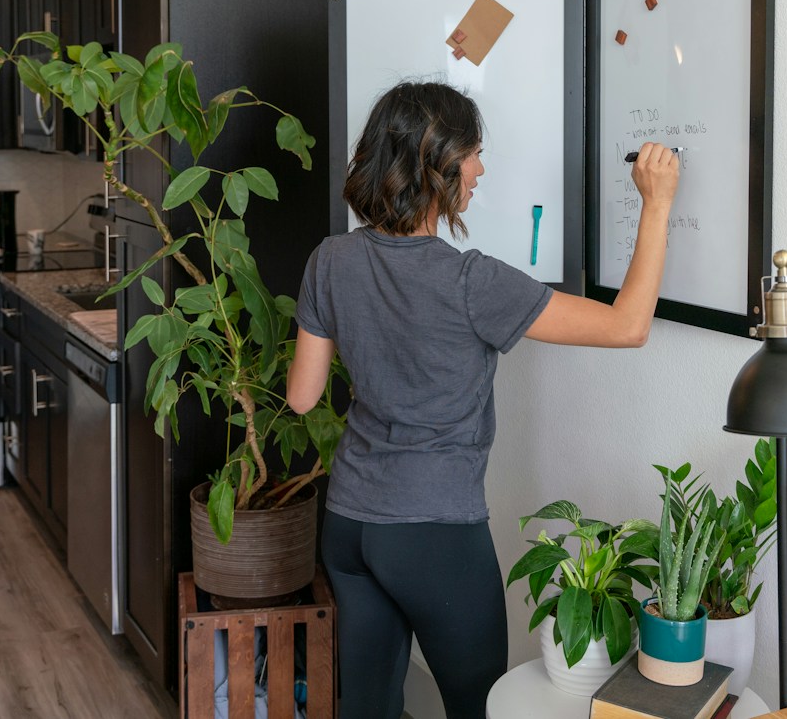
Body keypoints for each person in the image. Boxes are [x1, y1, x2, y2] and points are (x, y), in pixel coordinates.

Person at [287, 81, 680, 719]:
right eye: (472, 153)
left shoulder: (330, 260)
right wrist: (657, 203)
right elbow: (627, 326)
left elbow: (303, 398)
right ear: (437, 165)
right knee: (481, 709)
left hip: (350, 524)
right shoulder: (473, 282)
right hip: (436, 535)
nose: (479, 168)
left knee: (366, 709)